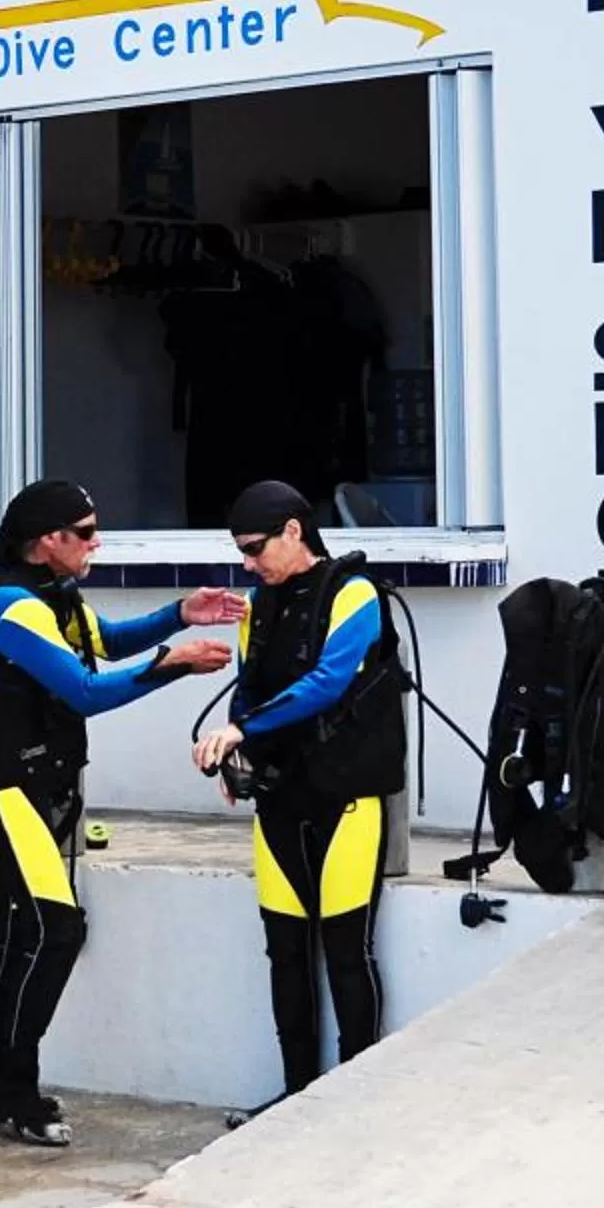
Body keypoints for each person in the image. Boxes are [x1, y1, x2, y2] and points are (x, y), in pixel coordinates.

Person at [0, 479, 239, 1147]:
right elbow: (84, 691)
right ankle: (16, 1091)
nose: (98, 542)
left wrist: (180, 614)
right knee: (56, 929)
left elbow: (103, 640)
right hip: (8, 791)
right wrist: (172, 665)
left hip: (34, 787)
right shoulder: (8, 609)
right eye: (87, 531)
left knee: (13, 934)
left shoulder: (49, 598)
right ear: (50, 541)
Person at [191, 480, 407, 1124]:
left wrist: (242, 730)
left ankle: (354, 1099)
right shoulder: (262, 604)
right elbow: (247, 688)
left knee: (346, 950)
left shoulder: (356, 594)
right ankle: (296, 1096)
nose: (249, 563)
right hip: (282, 799)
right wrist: (235, 753)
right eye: (240, 552)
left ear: (294, 530)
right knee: (285, 951)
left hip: (346, 800)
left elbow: (327, 682)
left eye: (256, 548)